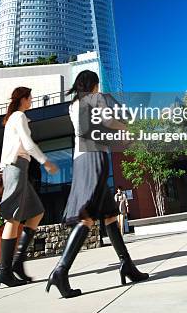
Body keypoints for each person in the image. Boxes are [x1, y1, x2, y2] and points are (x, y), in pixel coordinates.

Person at [46, 70, 149, 298]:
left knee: (110, 215)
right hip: (95, 156)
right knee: (88, 216)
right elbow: (108, 121)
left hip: (80, 159)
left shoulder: (73, 105)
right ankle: (61, 271)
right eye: (97, 84)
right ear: (93, 84)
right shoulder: (95, 98)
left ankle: (127, 265)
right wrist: (126, 128)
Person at [0, 86, 58, 289]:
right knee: (13, 217)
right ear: (23, 98)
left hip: (19, 168)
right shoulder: (18, 116)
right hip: (16, 167)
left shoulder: (15, 118)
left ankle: (17, 263)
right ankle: (4, 272)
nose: (32, 100)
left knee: (37, 212)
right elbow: (27, 143)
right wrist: (45, 162)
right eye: (30, 97)